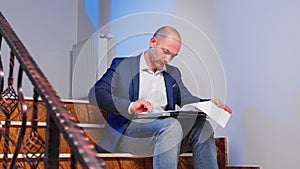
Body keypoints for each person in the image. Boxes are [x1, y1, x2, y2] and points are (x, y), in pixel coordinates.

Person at [89, 26, 232, 169]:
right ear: (153, 42)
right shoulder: (123, 65)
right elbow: (96, 93)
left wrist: (209, 104)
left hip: (168, 137)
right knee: (172, 125)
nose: (167, 59)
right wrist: (131, 106)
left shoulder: (173, 73)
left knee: (203, 126)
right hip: (131, 134)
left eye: (173, 56)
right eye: (166, 52)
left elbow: (187, 99)